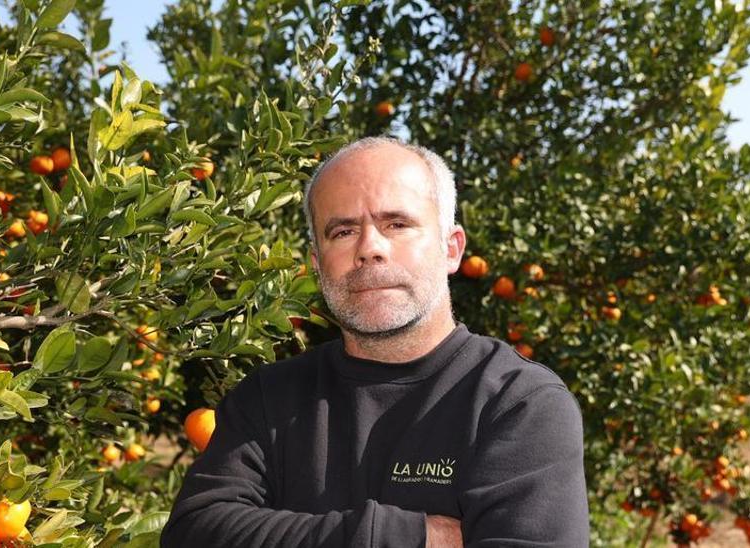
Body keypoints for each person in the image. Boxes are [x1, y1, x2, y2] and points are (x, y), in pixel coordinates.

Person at [160, 136, 590, 547]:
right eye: (342, 232)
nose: (370, 248)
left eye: (397, 224)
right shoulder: (268, 398)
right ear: (316, 264)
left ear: (452, 249)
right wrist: (405, 537)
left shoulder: (518, 403)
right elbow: (195, 532)